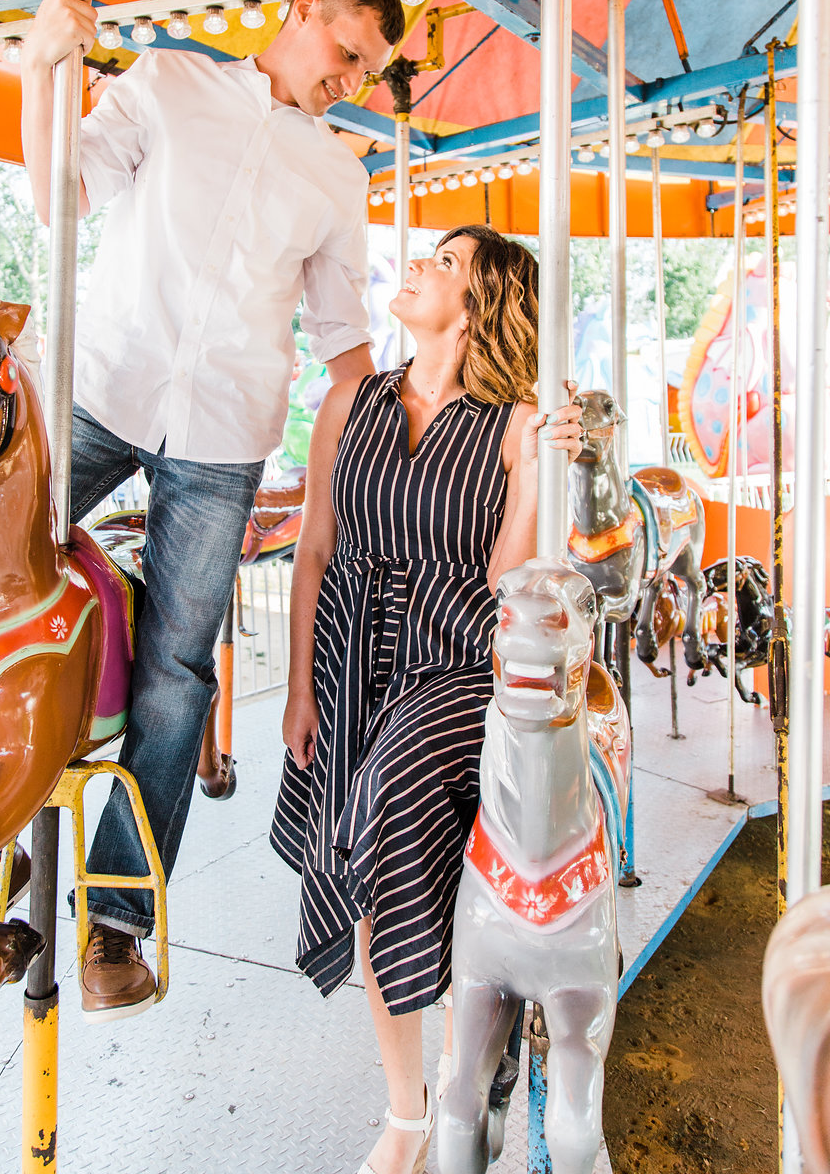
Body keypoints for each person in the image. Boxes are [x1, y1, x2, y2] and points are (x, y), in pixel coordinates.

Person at [0, 0, 403, 1017]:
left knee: (179, 672)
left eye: (368, 73)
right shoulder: (168, 83)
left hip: (225, 432)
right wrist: (45, 68)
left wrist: (404, 432)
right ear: (304, 10)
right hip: (105, 388)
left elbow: (341, 339)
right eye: (349, 53)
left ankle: (116, 922)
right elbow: (60, 191)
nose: (353, 81)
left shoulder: (338, 176)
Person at [270, 226, 582, 1174]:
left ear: (482, 302)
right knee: (361, 867)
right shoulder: (350, 402)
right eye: (426, 256)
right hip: (346, 652)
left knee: (389, 797)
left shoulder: (512, 420)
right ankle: (410, 1109)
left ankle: (458, 1076)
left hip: (450, 665)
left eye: (447, 263)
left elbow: (502, 575)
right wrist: (297, 689)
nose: (418, 266)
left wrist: (531, 471)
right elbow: (315, 548)